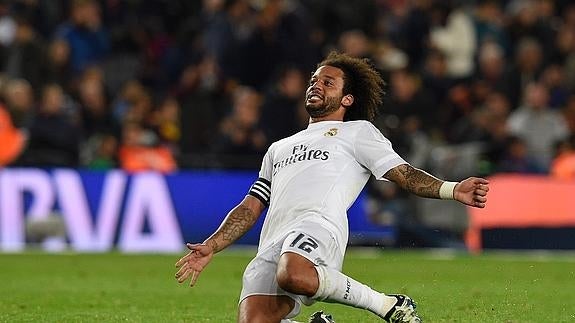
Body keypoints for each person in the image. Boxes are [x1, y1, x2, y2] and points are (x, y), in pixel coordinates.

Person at [175, 52, 489, 323]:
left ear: (347, 99)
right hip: (273, 239)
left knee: (294, 274)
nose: (316, 85)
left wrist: (452, 189)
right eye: (314, 80)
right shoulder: (279, 148)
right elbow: (251, 206)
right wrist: (212, 245)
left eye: (328, 82)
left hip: (318, 224)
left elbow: (404, 174)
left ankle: (388, 305)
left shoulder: (358, 133)